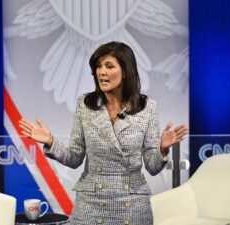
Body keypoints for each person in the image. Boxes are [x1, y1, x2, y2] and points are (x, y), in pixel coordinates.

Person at [19, 41, 188, 225]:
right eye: (99, 66)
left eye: (109, 66)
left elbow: (153, 167)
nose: (102, 72)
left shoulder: (146, 108)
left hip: (132, 204)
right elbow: (74, 158)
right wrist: (51, 141)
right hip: (91, 204)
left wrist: (162, 149)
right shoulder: (85, 104)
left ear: (125, 72)